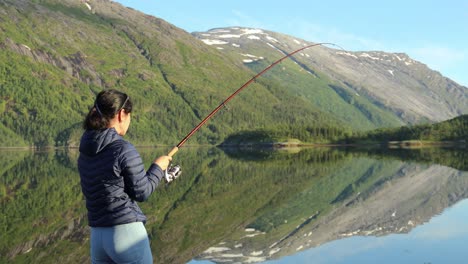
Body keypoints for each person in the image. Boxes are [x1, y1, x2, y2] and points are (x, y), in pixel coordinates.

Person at [78, 89, 172, 264]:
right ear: (122, 114)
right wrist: (158, 167)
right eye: (130, 116)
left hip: (97, 237)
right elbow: (142, 192)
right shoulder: (123, 148)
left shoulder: (85, 150)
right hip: (127, 235)